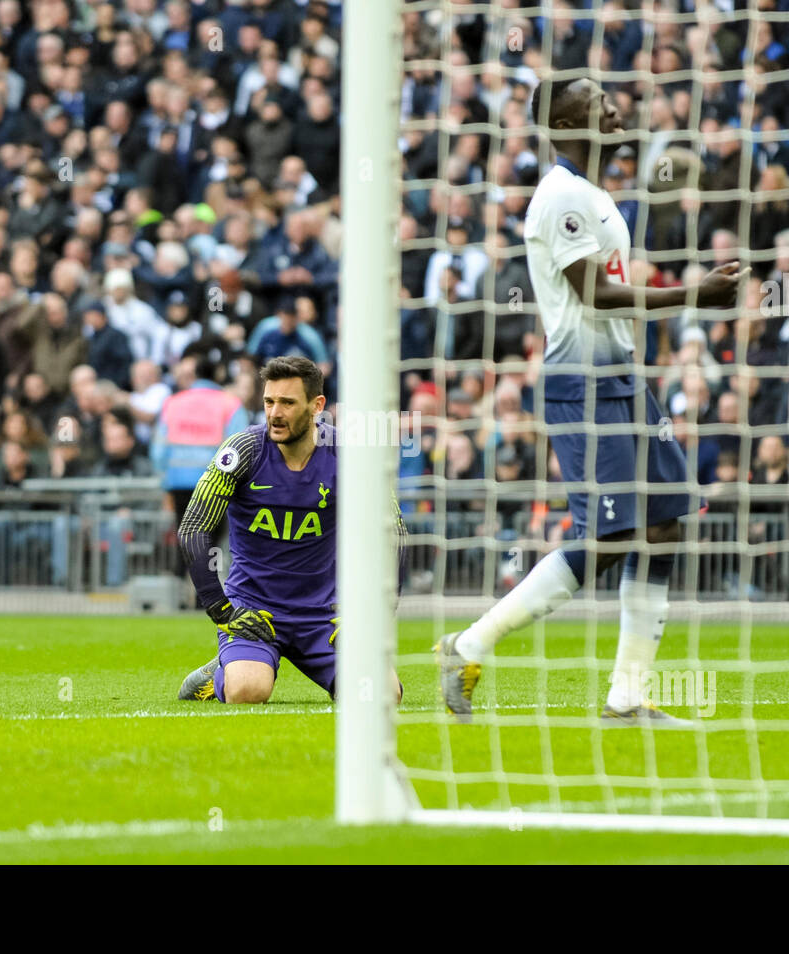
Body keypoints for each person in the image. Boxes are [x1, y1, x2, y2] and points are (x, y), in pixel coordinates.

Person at [436, 76, 743, 726]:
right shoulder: (562, 197)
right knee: (608, 536)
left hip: (623, 378)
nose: (615, 107)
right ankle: (467, 645)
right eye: (599, 102)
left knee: (661, 526)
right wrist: (694, 296)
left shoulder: (598, 194)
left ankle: (628, 696)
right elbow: (594, 297)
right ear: (569, 123)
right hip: (583, 384)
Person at [176, 356, 402, 704]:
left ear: (317, 405)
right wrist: (223, 611)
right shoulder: (244, 450)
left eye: (287, 403)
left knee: (381, 695)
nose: (275, 413)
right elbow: (194, 528)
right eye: (269, 401)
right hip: (254, 608)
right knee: (248, 692)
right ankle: (218, 675)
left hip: (325, 614)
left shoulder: (351, 454)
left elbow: (394, 533)